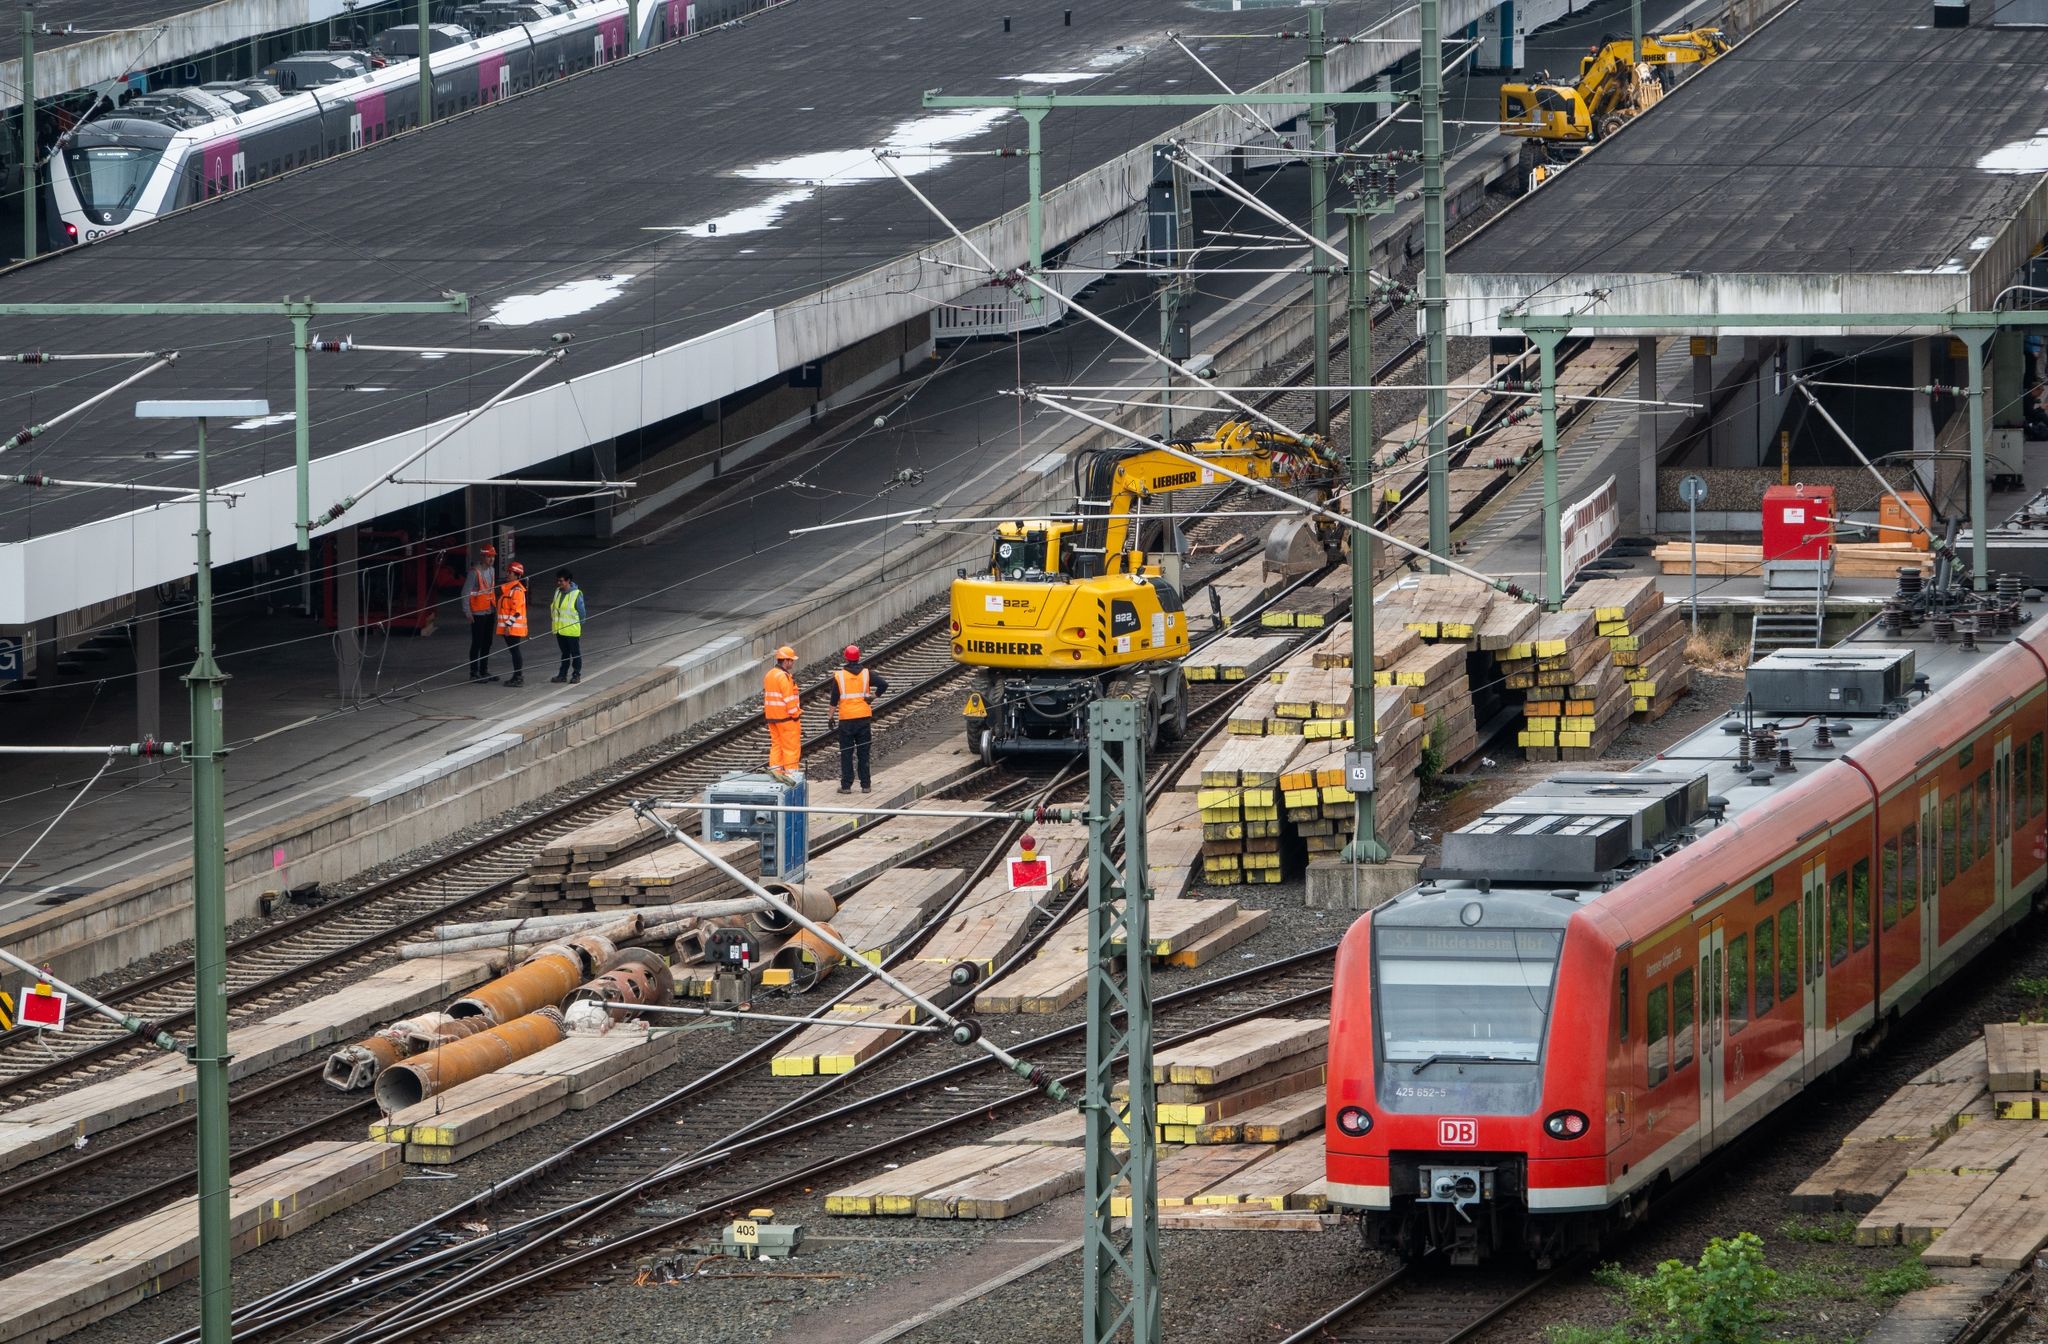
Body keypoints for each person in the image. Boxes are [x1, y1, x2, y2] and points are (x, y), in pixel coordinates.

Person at [830, 644, 888, 794]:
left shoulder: (839, 676)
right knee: (863, 753)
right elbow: (883, 684)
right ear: (858, 657)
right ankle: (866, 785)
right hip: (863, 719)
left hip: (846, 720)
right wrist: (874, 696)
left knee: (846, 753)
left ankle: (846, 786)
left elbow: (834, 699)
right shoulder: (867, 674)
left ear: (845, 658)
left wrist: (830, 717)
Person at [763, 645, 802, 777]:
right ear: (786, 661)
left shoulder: (770, 674)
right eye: (791, 660)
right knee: (791, 748)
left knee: (776, 746)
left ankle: (776, 773)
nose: (792, 663)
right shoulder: (783, 677)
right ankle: (792, 776)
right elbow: (789, 698)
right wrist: (795, 715)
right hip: (786, 718)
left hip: (772, 718)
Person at [463, 543, 498, 683]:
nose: (492, 559)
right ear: (483, 557)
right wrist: (467, 611)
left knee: (487, 642)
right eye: (489, 557)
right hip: (477, 612)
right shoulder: (474, 572)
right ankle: (474, 673)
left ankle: (484, 670)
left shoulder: (492, 570)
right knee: (477, 642)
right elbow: (465, 593)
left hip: (489, 610)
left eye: (493, 557)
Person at [550, 569, 586, 684]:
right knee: (565, 654)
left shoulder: (576, 594)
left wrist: (578, 624)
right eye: (558, 581)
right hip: (560, 629)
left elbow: (582, 613)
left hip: (571, 630)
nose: (559, 583)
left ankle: (576, 675)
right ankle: (562, 675)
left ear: (568, 581)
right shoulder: (557, 592)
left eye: (561, 581)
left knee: (575, 654)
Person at [496, 561, 528, 687]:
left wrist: (508, 625)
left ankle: (518, 677)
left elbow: (516, 611)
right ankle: (517, 676)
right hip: (510, 627)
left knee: (515, 651)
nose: (508, 574)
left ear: (517, 575)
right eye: (508, 572)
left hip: (513, 628)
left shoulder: (517, 591)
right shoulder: (510, 589)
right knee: (514, 651)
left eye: (510, 572)